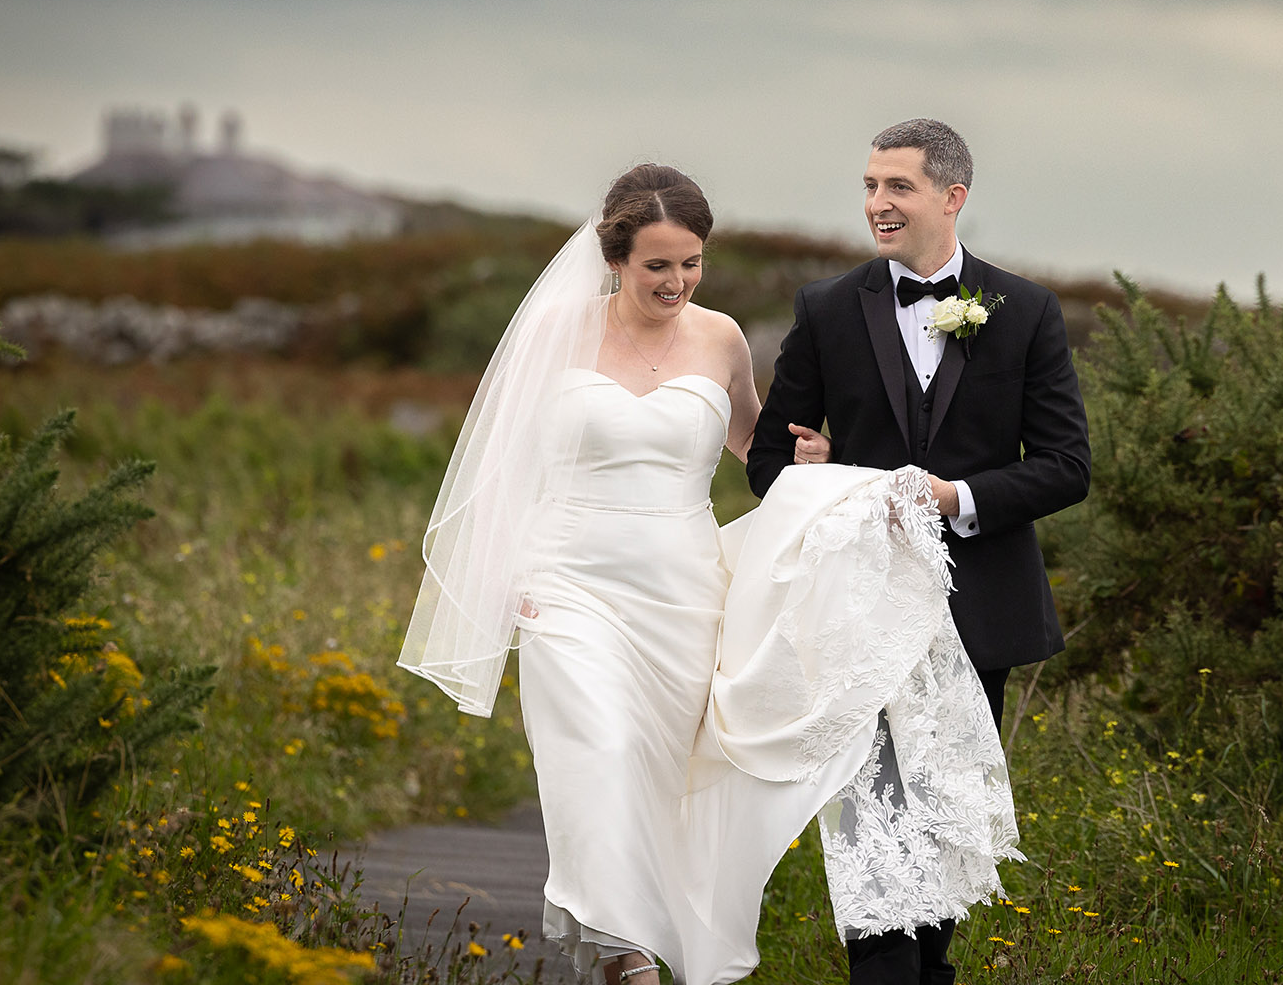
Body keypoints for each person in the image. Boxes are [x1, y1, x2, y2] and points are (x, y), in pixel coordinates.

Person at [399, 164, 1018, 985]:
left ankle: (667, 932)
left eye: (691, 263)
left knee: (673, 775)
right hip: (569, 581)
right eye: (658, 265)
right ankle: (624, 951)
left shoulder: (720, 337)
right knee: (599, 750)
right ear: (614, 258)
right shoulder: (556, 334)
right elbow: (502, 467)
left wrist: (815, 466)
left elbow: (755, 446)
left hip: (685, 588)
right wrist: (508, 571)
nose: (677, 282)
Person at [749, 118, 1092, 985]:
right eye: (868, 186)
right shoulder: (828, 308)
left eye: (895, 187)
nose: (876, 205)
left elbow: (1065, 466)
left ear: (952, 196)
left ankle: (924, 972)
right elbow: (766, 464)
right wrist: (819, 476)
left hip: (979, 611)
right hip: (858, 614)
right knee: (870, 825)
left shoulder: (1026, 311)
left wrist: (959, 500)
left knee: (946, 823)